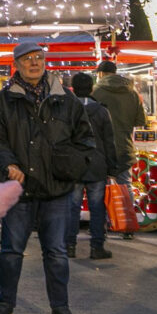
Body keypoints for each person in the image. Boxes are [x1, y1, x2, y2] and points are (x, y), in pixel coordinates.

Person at [0, 39, 94, 314]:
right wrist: (9, 164)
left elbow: (85, 139)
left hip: (56, 188)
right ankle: (5, 303)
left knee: (56, 252)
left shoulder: (65, 99)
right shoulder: (1, 101)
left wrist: (74, 165)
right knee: (11, 251)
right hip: (17, 190)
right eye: (27, 58)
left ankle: (61, 308)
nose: (34, 62)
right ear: (17, 65)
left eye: (39, 57)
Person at [66, 72, 118, 260]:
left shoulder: (68, 109)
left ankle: (69, 246)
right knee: (97, 207)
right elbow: (109, 141)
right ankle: (97, 247)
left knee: (72, 206)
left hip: (74, 165)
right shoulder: (102, 111)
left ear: (73, 88)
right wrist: (112, 168)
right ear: (91, 88)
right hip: (97, 165)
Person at [92, 59, 146, 198]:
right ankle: (126, 218)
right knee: (125, 186)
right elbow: (141, 121)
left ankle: (105, 220)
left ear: (101, 74)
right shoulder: (132, 92)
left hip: (101, 149)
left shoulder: (95, 92)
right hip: (124, 149)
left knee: (100, 189)